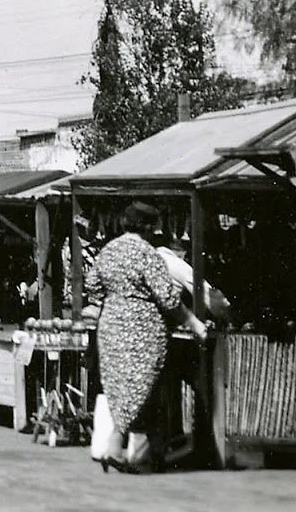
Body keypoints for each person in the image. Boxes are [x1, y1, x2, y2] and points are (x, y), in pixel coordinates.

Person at [84, 202, 208, 474]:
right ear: (149, 227)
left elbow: (92, 285)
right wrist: (194, 323)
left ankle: (126, 450)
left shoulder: (109, 251)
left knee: (120, 385)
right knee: (143, 388)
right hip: (143, 330)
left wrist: (115, 299)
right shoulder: (147, 255)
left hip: (112, 326)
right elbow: (167, 297)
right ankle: (125, 448)